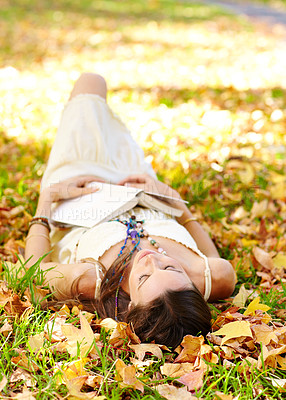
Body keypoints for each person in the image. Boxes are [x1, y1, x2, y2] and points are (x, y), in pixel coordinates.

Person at [25, 73, 236, 348]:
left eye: (144, 277)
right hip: (138, 184)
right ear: (192, 286)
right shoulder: (213, 276)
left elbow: (32, 275)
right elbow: (206, 253)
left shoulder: (93, 280)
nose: (151, 259)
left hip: (79, 184)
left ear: (131, 303)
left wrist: (48, 197)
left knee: (91, 84)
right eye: (171, 267)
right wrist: (177, 203)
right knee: (114, 123)